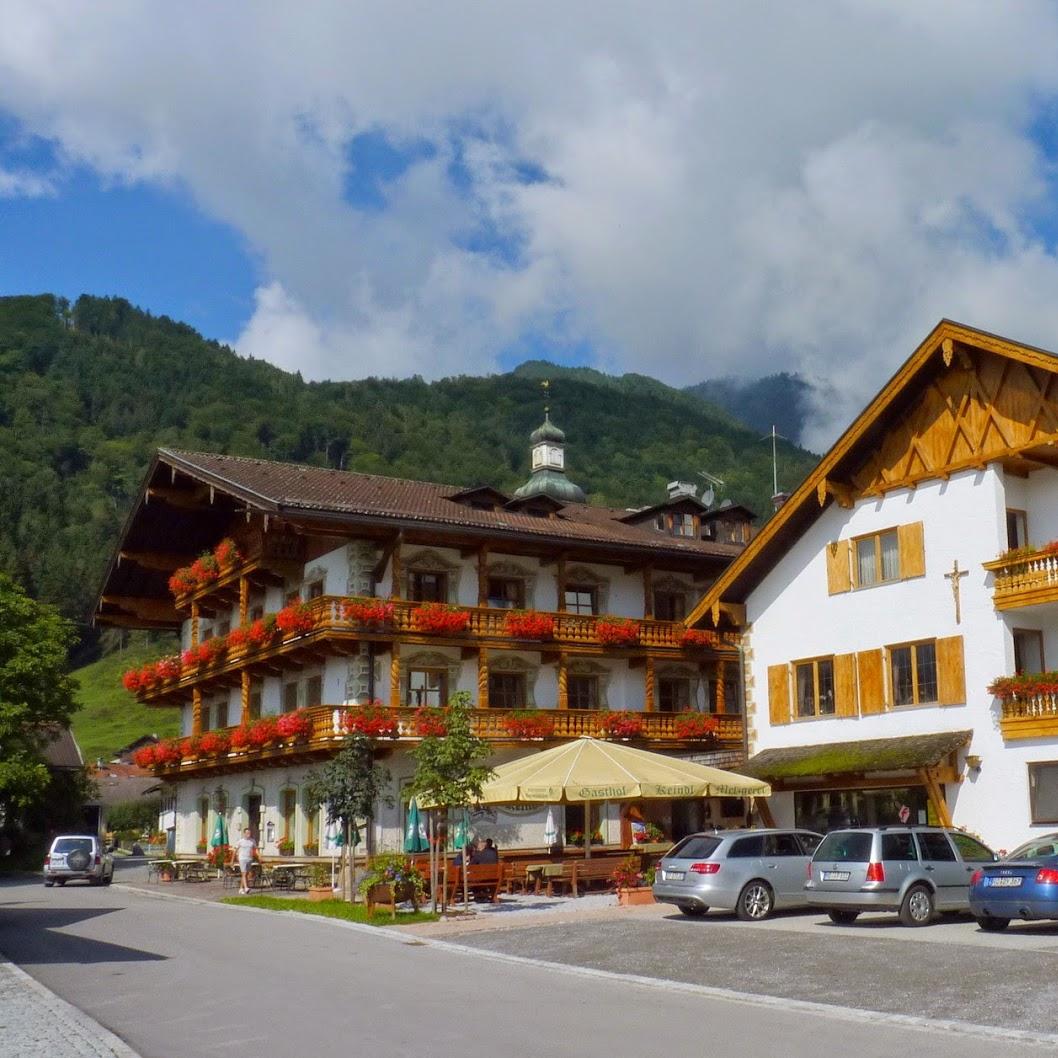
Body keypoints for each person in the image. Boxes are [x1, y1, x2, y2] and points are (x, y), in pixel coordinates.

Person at [235, 827, 257, 894]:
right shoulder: (240, 841)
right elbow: (235, 850)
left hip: (249, 859)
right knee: (244, 873)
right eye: (247, 833)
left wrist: (259, 856)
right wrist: (232, 860)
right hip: (242, 859)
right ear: (244, 833)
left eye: (249, 833)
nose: (248, 834)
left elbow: (255, 849)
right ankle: (246, 888)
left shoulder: (252, 841)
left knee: (246, 874)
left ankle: (241, 888)